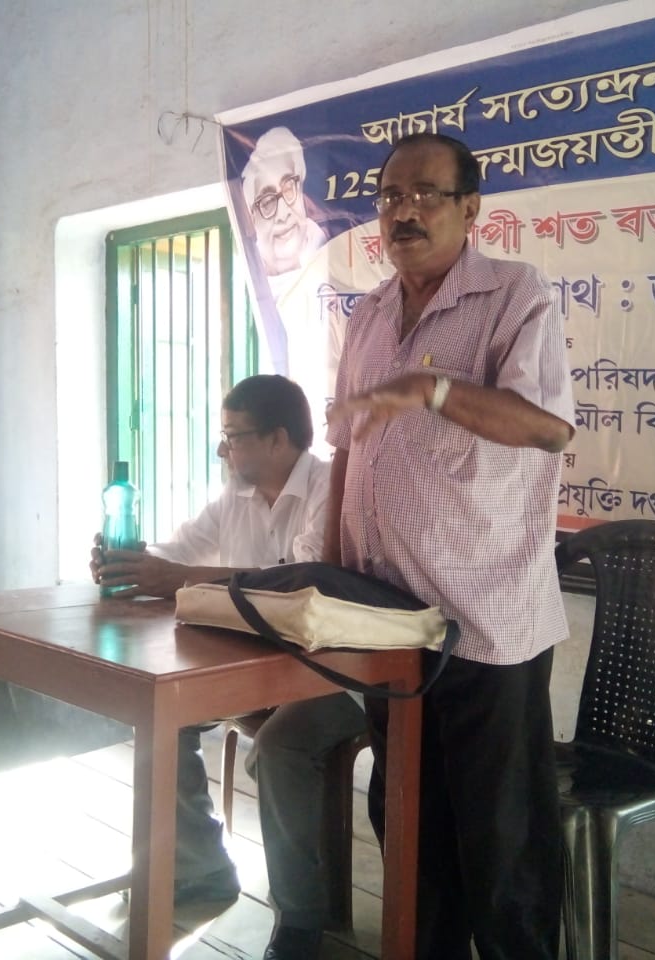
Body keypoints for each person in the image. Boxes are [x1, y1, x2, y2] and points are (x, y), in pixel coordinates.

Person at [323, 133, 576, 960]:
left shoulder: (514, 294)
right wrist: (330, 574)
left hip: (485, 621)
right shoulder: (367, 314)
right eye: (391, 196)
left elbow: (546, 427)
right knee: (408, 827)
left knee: (501, 847)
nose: (405, 212)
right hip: (387, 619)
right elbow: (347, 450)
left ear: (471, 210)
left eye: (426, 194)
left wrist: (431, 388)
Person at [92, 374, 367, 960]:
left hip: (340, 669)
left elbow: (302, 578)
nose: (224, 449)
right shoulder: (234, 498)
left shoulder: (330, 487)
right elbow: (177, 552)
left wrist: (179, 578)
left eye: (234, 436)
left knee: (282, 745)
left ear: (278, 438)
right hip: (255, 665)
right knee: (163, 717)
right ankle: (201, 869)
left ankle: (300, 918)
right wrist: (129, 561)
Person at [242, 127, 328, 279]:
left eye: (288, 188)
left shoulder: (333, 253)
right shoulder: (248, 276)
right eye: (267, 202)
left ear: (300, 188)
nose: (283, 215)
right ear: (252, 217)